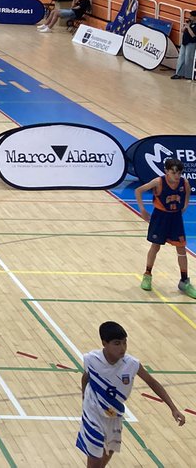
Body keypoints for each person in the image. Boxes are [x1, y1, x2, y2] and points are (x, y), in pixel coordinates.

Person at [77, 321, 185, 465]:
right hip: (93, 414)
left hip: (114, 415)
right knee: (94, 461)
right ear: (104, 343)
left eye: (124, 343)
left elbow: (152, 382)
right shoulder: (91, 359)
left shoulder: (132, 364)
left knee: (103, 460)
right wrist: (85, 398)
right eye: (117, 343)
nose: (122, 348)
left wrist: (173, 408)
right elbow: (86, 377)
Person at [135, 158, 196, 298]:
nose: (176, 176)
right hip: (160, 217)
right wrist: (142, 210)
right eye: (173, 172)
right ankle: (147, 275)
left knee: (181, 249)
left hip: (175, 218)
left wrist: (185, 206)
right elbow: (138, 191)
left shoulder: (184, 182)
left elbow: (187, 193)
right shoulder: (158, 182)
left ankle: (184, 281)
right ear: (166, 171)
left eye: (179, 173)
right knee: (155, 246)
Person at [171, 10, 196, 79]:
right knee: (181, 58)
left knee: (188, 59)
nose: (190, 17)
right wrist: (185, 26)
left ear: (195, 17)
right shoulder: (189, 23)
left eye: (191, 16)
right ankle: (178, 73)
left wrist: (188, 27)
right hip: (184, 42)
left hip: (191, 43)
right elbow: (182, 30)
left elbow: (193, 35)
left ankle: (188, 75)